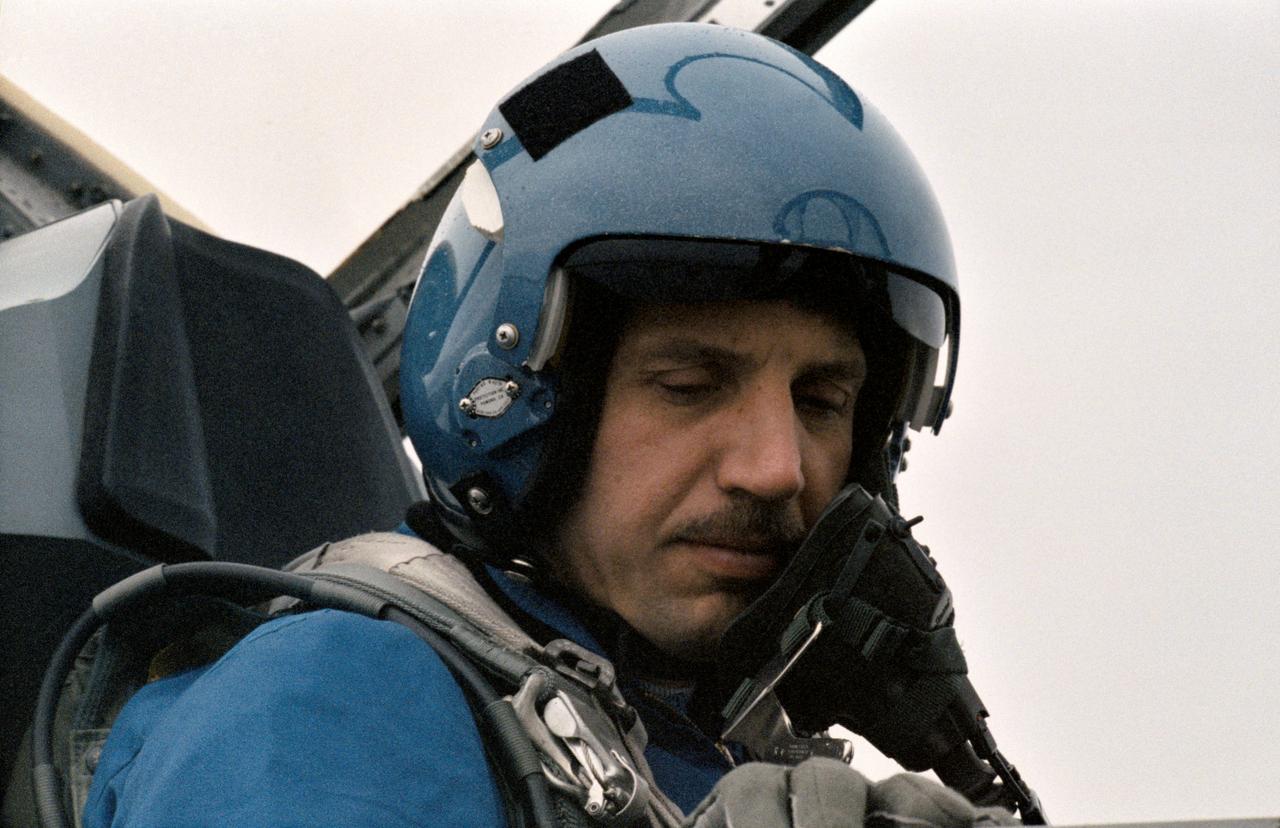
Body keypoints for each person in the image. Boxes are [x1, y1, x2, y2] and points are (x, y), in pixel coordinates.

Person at [81, 22, 989, 828]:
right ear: (515, 397)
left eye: (823, 401)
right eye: (689, 383)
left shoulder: (733, 764)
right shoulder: (333, 699)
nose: (777, 468)